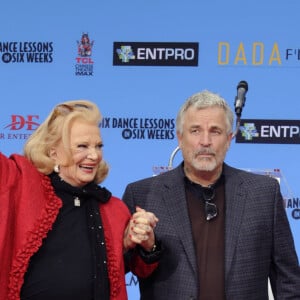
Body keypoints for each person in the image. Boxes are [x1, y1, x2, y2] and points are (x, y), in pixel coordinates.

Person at [122, 90, 300, 299]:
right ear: (180, 138)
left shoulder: (264, 194)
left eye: (215, 131)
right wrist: (147, 248)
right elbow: (116, 271)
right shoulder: (142, 195)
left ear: (229, 139)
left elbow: (288, 281)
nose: (205, 141)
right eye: (195, 130)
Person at [0, 100, 161, 300]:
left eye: (98, 146)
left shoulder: (115, 209)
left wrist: (146, 244)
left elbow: (137, 269)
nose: (94, 155)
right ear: (54, 152)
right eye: (82, 146)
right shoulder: (21, 185)